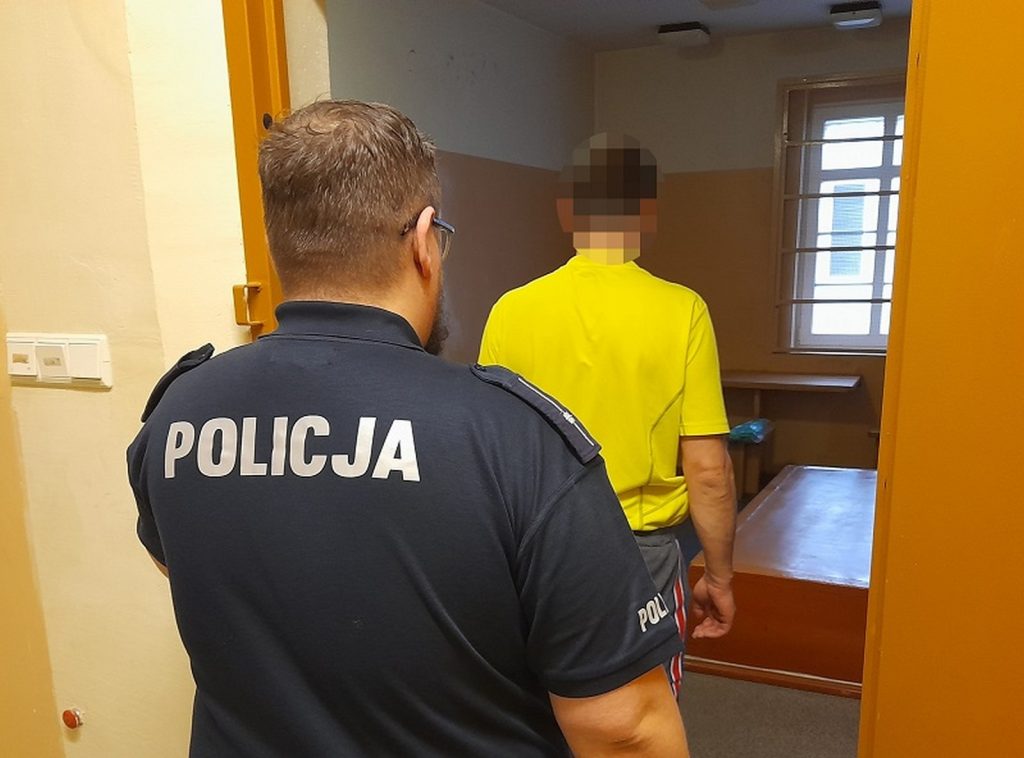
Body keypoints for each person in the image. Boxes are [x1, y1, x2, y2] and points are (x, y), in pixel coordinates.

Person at [127, 102, 689, 757]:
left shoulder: (178, 413)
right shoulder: (514, 440)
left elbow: (186, 565)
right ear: (424, 241)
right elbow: (626, 730)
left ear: (283, 247)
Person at [479, 133, 737, 696]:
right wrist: (718, 576)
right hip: (640, 553)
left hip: (536, 549)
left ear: (567, 211)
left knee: (543, 701)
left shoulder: (511, 310)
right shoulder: (682, 310)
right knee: (641, 713)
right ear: (648, 213)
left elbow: (490, 453)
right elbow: (709, 470)